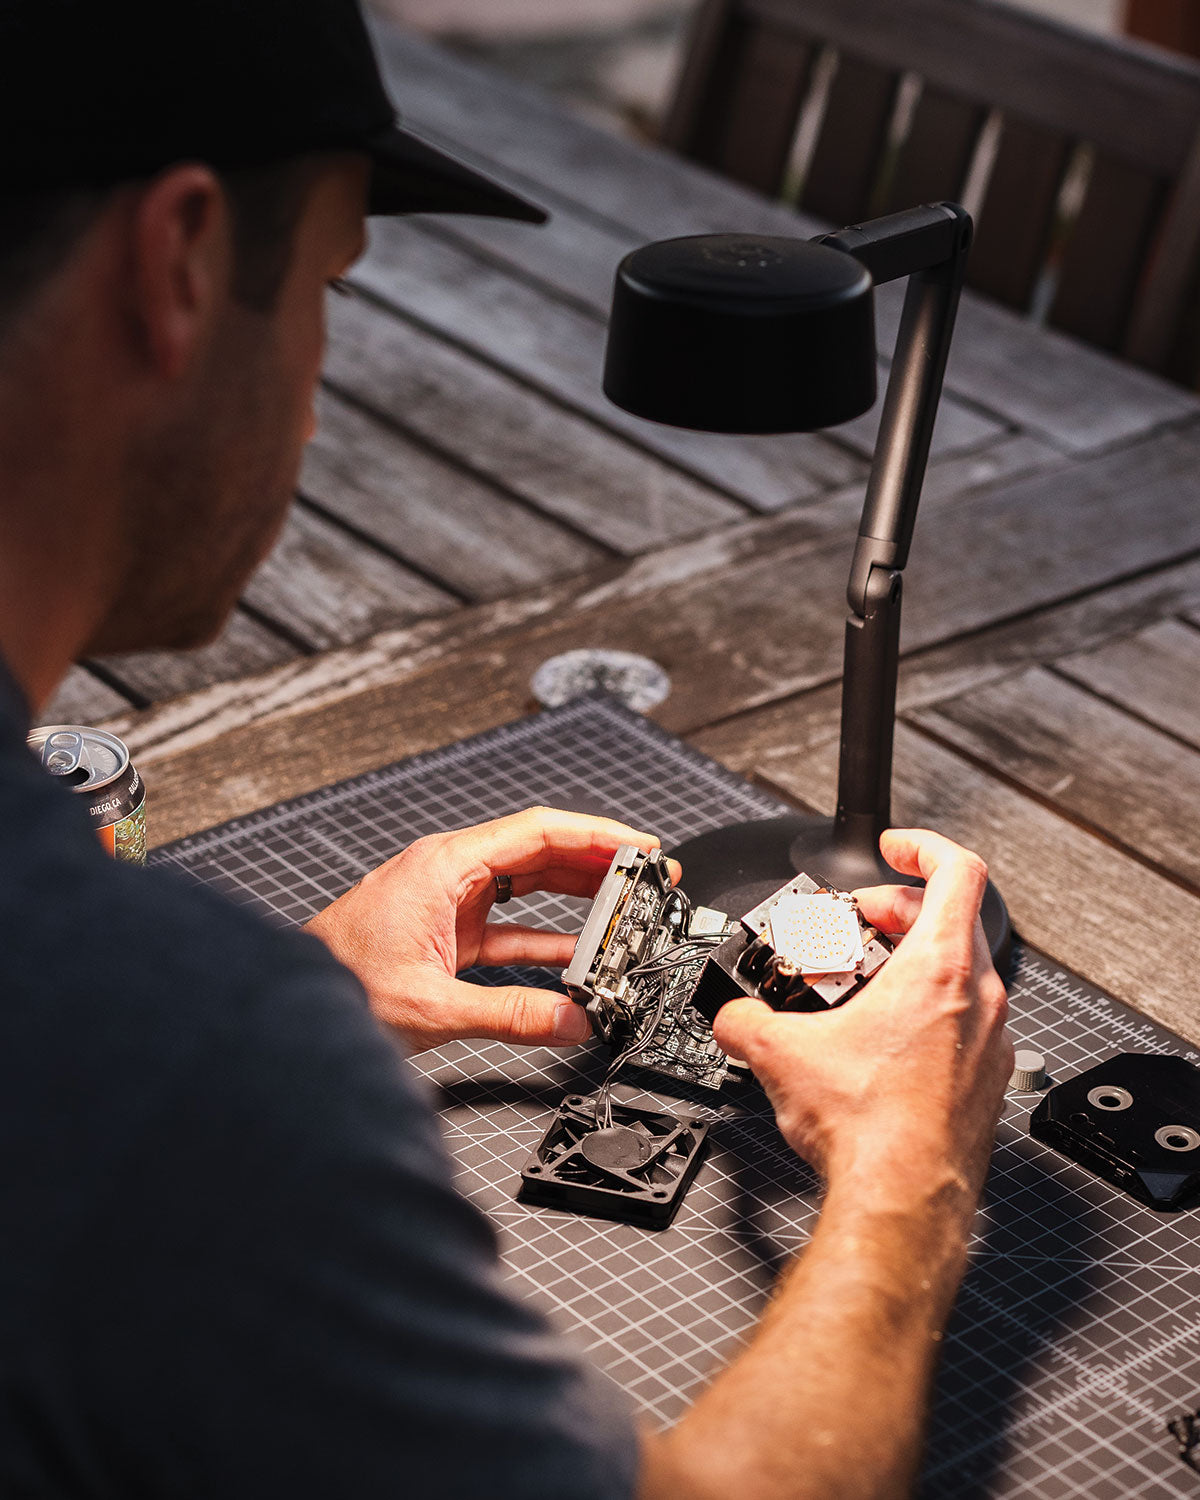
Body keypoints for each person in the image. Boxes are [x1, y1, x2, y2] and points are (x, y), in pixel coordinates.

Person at [0, 0, 1013, 1495]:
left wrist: (315, 980)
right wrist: (905, 1179)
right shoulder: (161, 1055)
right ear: (182, 265)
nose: (322, 373)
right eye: (335, 284)